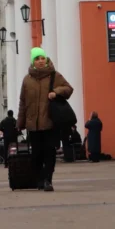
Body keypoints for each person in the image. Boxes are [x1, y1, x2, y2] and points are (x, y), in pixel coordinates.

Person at [17, 47, 73, 192]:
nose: (41, 61)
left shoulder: (54, 76)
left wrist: (56, 92)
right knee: (36, 154)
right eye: (37, 59)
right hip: (33, 124)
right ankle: (40, 178)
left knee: (49, 152)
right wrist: (20, 122)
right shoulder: (27, 80)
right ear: (33, 61)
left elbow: (68, 88)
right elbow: (23, 102)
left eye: (43, 58)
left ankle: (48, 179)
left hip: (50, 122)